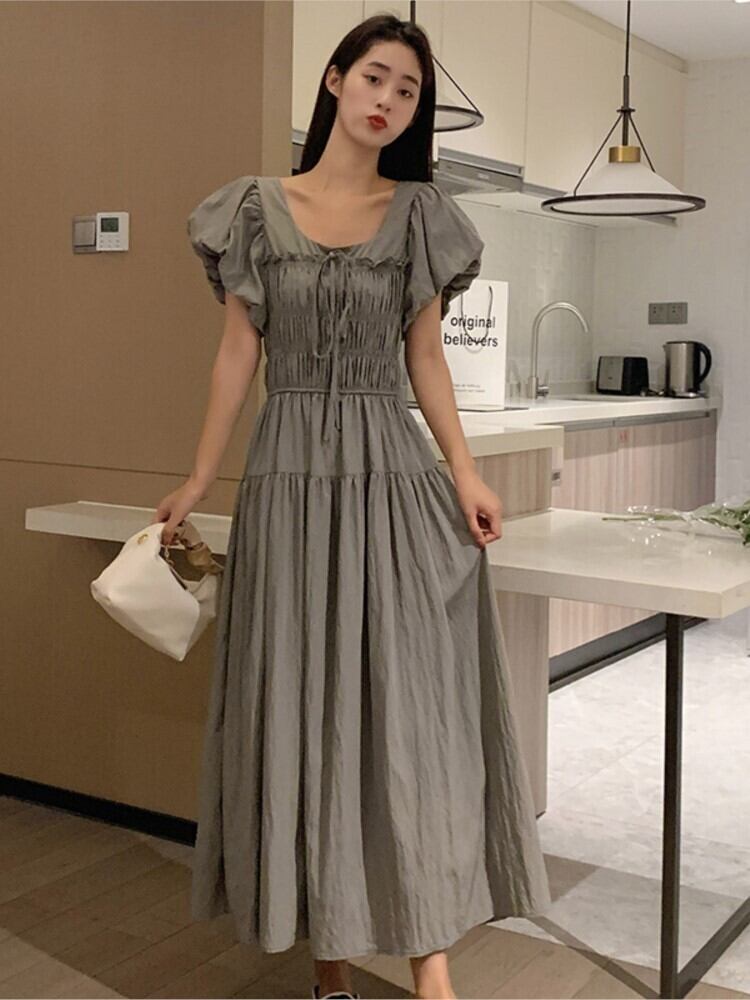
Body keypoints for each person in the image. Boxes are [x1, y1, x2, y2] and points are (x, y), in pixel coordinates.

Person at [153, 13, 551, 1000]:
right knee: (301, 704)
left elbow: (428, 359)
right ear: (334, 81)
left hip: (390, 474)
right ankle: (327, 963)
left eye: (408, 91)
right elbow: (237, 355)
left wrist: (464, 472)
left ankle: (431, 968)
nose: (389, 100)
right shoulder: (252, 209)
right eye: (375, 77)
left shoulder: (419, 213)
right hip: (285, 478)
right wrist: (199, 478)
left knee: (405, 713)